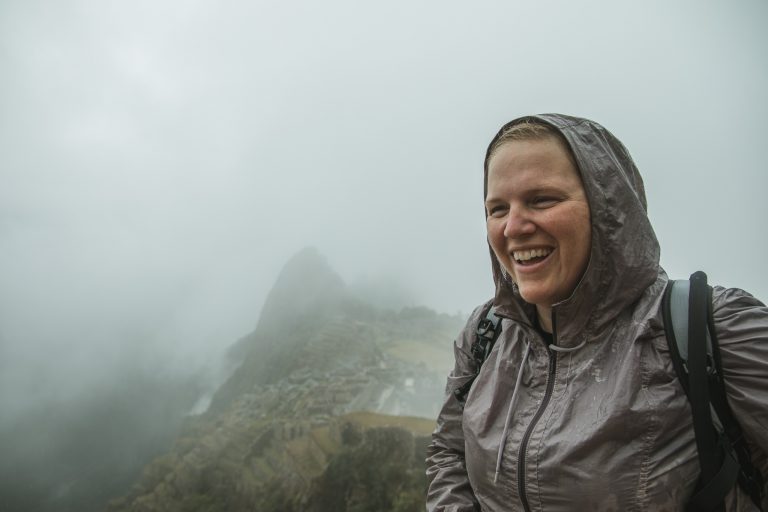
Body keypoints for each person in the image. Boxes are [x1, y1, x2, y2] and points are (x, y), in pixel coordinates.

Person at [425, 114, 768, 511]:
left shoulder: (709, 328)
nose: (513, 227)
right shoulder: (487, 333)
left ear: (609, 209)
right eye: (497, 208)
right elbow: (449, 452)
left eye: (541, 199)